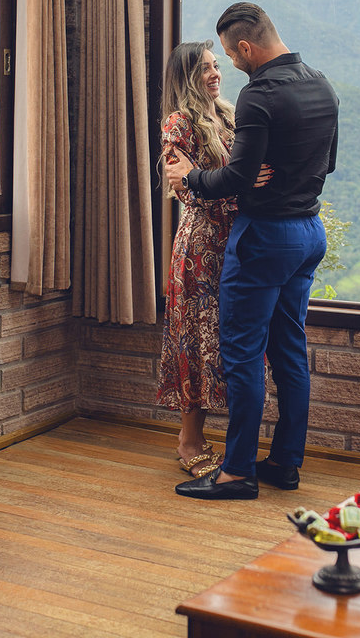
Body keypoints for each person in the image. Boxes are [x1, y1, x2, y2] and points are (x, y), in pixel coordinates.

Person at [165, 2, 339, 501]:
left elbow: (237, 179)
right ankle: (285, 463)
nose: (228, 66)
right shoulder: (321, 82)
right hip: (309, 231)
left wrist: (192, 176)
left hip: (264, 237)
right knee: (289, 352)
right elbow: (327, 161)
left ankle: (237, 472)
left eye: (228, 57)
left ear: (245, 47)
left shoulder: (258, 94)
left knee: (242, 356)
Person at [156, 40, 238, 479]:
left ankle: (220, 438)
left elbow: (226, 178)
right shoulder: (178, 123)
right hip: (200, 249)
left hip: (236, 244)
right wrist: (239, 188)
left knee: (226, 342)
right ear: (186, 76)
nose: (214, 73)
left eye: (216, 65)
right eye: (204, 68)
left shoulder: (227, 115)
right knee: (196, 340)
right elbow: (187, 189)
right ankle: (189, 439)